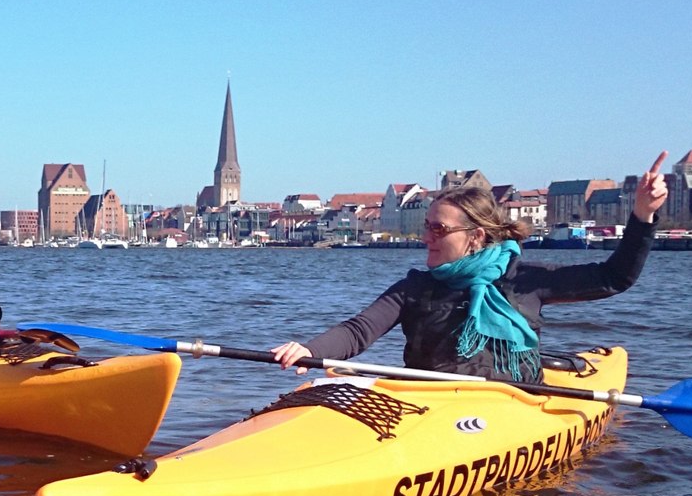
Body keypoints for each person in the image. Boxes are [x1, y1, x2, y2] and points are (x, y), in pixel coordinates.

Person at [271, 152, 670, 383]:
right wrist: (309, 350)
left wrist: (642, 215)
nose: (426, 236)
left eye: (438, 229)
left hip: (511, 406)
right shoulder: (414, 287)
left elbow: (613, 278)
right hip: (435, 404)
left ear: (476, 236)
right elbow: (359, 331)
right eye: (426, 226)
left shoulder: (525, 280)